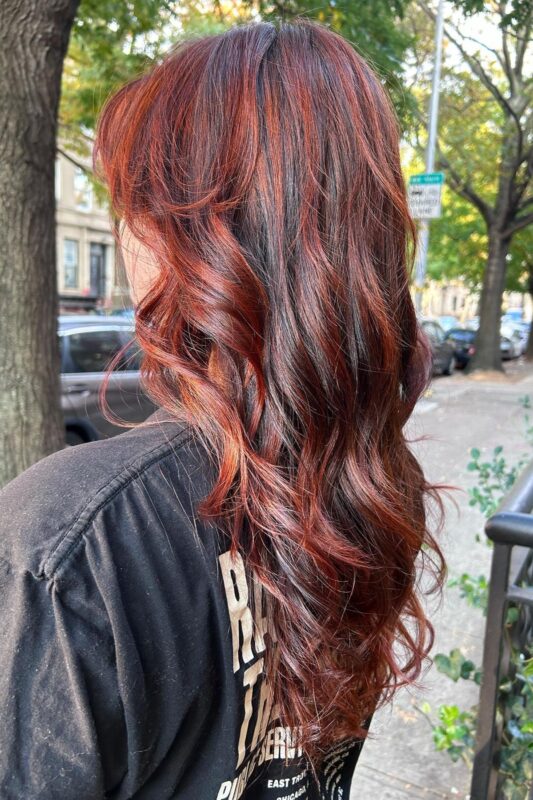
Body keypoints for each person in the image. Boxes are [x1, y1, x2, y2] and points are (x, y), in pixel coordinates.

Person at [0, 18, 448, 800]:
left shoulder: (71, 543)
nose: (123, 229)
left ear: (197, 231)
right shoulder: (373, 483)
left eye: (133, 199)